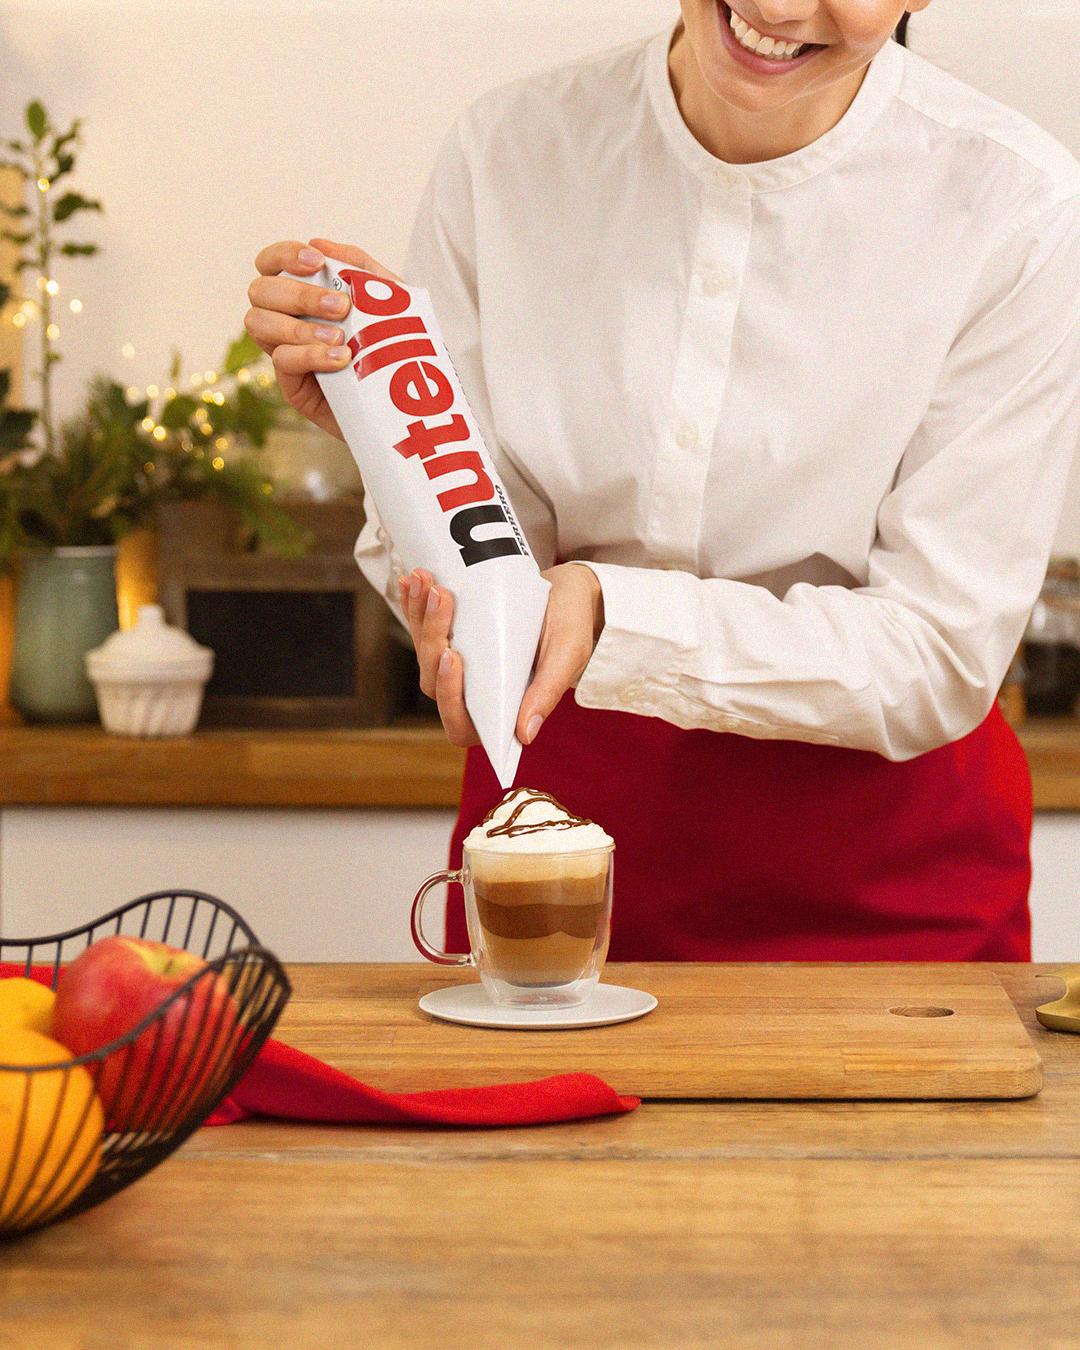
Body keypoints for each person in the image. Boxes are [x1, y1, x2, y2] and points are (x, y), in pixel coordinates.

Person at [245, 2, 1080, 961]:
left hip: (890, 884)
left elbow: (939, 650)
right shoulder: (508, 150)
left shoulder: (1016, 202)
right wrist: (383, 431)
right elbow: (489, 571)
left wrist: (615, 614)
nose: (778, 7)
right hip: (551, 854)